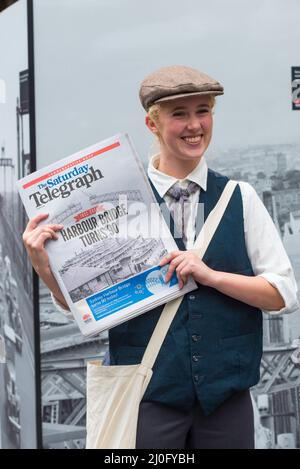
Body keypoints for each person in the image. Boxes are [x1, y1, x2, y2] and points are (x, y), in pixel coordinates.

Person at [23, 65, 299, 449]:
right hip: (148, 394)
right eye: (179, 114)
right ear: (152, 124)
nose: (195, 124)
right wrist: (43, 267)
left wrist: (212, 276)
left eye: (203, 110)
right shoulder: (117, 203)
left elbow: (282, 294)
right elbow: (85, 308)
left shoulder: (241, 197)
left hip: (227, 400)